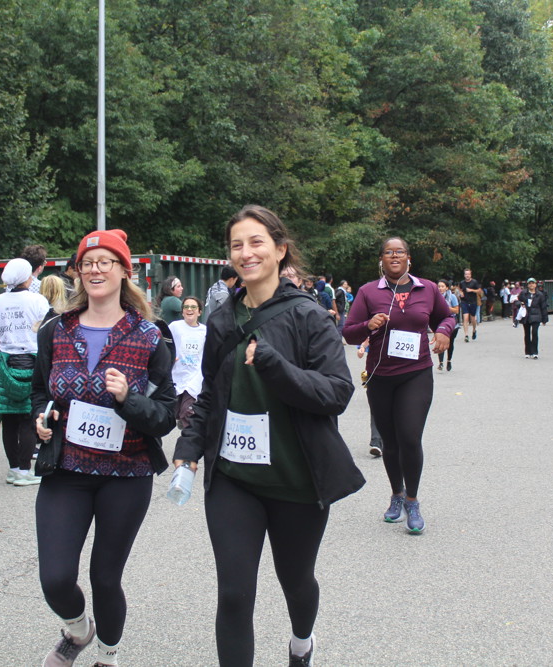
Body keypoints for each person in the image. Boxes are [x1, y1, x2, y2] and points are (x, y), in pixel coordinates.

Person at [173, 205, 363, 666]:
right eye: (237, 245)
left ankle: (302, 642)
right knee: (234, 594)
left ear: (280, 250)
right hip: (234, 477)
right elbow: (210, 394)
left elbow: (337, 392)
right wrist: (189, 446)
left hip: (296, 479)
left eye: (256, 242)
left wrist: (276, 366)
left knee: (296, 581)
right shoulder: (222, 319)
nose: (246, 252)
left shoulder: (310, 316)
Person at [32, 229, 175, 667]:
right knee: (56, 578)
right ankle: (78, 631)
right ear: (77, 272)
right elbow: (40, 392)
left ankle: (108, 656)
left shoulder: (149, 336)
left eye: (105, 262)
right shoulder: (55, 330)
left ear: (123, 271)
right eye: (87, 263)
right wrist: (41, 417)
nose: (95, 270)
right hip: (66, 470)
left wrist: (127, 399)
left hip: (126, 474)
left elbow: (166, 415)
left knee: (105, 578)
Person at [344, 237, 453, 534]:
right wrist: (368, 325)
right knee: (389, 442)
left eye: (400, 252)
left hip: (416, 373)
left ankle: (413, 501)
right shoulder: (368, 292)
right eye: (389, 252)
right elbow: (349, 333)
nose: (395, 256)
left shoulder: (427, 288)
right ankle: (396, 495)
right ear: (381, 259)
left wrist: (444, 331)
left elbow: (446, 317)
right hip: (380, 376)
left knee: (409, 437)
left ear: (408, 258)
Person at [0, 257, 50, 486]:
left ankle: (13, 469)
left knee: (10, 419)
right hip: (33, 362)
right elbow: (47, 332)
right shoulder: (38, 300)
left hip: (6, 363)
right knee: (28, 417)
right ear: (27, 277)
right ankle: (25, 470)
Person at [168, 296, 207, 430]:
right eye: (186, 307)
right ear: (182, 311)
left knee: (188, 412)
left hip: (195, 377)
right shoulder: (175, 327)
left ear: (199, 312)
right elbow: (164, 343)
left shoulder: (205, 331)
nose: (189, 309)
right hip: (176, 376)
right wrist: (169, 357)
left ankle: (188, 438)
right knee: (171, 412)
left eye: (193, 307)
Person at [514, 277, 548, 358]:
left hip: (536, 315)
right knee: (527, 334)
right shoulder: (523, 293)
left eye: (533, 283)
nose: (531, 285)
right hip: (526, 315)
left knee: (535, 333)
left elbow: (543, 307)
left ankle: (535, 352)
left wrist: (544, 319)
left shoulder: (540, 295)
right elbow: (516, 301)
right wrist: (520, 304)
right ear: (528, 285)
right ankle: (528, 352)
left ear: (535, 285)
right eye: (530, 283)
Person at [436, 279, 460, 371]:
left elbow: (456, 310)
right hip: (440, 322)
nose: (440, 288)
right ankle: (441, 363)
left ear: (446, 288)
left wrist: (446, 307)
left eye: (442, 286)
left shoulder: (452, 297)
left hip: (451, 322)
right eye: (439, 286)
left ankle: (449, 360)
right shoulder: (435, 297)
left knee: (450, 342)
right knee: (440, 341)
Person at [459, 268, 480, 341]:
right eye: (466, 274)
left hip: (473, 302)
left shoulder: (474, 282)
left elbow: (479, 291)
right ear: (464, 275)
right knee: (465, 318)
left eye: (468, 274)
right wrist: (461, 293)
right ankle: (466, 335)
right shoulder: (462, 282)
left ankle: (474, 330)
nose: (467, 275)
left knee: (472, 318)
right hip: (464, 301)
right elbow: (460, 289)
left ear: (470, 275)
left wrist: (471, 290)